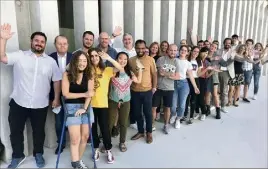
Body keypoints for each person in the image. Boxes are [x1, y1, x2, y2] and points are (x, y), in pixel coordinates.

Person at [0, 23, 62, 168]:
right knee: (15, 131)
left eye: (42, 42)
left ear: (45, 44)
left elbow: (57, 81)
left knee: (39, 132)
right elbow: (2, 58)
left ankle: (38, 154)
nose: (39, 44)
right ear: (31, 42)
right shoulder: (20, 55)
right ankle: (17, 155)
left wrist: (57, 98)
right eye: (37, 41)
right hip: (18, 102)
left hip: (40, 104)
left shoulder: (50, 62)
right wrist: (3, 39)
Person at [89, 48, 123, 164]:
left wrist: (108, 58)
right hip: (89, 105)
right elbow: (69, 68)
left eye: (96, 56)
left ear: (100, 57)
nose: (94, 58)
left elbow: (120, 68)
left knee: (105, 129)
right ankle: (96, 149)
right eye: (92, 56)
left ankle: (108, 150)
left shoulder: (106, 70)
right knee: (92, 129)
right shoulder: (86, 70)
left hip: (103, 104)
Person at [62, 50, 95, 168]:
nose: (82, 63)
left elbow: (91, 93)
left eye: (85, 60)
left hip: (86, 107)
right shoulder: (67, 74)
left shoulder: (90, 73)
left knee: (85, 136)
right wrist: (84, 94)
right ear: (74, 61)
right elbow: (66, 94)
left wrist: (84, 108)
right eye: (79, 60)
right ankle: (76, 164)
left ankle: (77, 161)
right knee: (75, 138)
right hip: (71, 107)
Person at [108, 52, 143, 152]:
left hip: (126, 101)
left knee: (123, 123)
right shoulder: (113, 71)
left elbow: (138, 81)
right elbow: (119, 68)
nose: (122, 61)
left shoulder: (130, 72)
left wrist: (140, 68)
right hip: (113, 101)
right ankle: (107, 142)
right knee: (110, 123)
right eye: (120, 58)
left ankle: (122, 142)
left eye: (125, 59)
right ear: (116, 59)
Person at [129, 39, 157, 144]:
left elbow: (154, 74)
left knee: (148, 113)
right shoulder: (131, 60)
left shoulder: (150, 60)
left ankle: (149, 132)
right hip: (134, 91)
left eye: (142, 48)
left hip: (147, 91)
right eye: (138, 48)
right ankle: (141, 131)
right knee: (137, 113)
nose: (140, 50)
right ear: (135, 48)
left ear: (145, 48)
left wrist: (154, 87)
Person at [49, 35, 73, 154]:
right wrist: (52, 98)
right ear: (55, 44)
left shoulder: (74, 57)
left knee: (73, 121)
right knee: (59, 123)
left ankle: (75, 143)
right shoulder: (49, 58)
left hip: (72, 96)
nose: (62, 46)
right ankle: (61, 143)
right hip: (56, 97)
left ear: (68, 45)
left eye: (65, 43)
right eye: (59, 43)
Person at [152, 44, 180, 134]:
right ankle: (151, 125)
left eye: (175, 50)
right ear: (167, 50)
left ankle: (166, 125)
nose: (173, 52)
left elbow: (177, 77)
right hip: (158, 88)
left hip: (169, 89)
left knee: (167, 108)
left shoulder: (177, 62)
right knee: (154, 107)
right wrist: (154, 85)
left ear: (177, 51)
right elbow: (158, 73)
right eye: (171, 50)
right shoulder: (161, 59)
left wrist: (166, 74)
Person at [170, 45, 200, 129]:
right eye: (182, 50)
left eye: (185, 50)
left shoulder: (188, 63)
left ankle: (178, 119)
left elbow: (191, 76)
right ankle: (173, 114)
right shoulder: (174, 60)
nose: (183, 51)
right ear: (179, 51)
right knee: (173, 105)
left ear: (187, 53)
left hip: (184, 84)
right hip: (173, 83)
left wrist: (195, 87)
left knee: (182, 105)